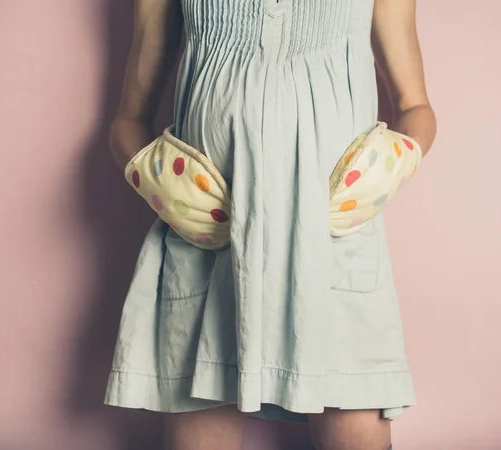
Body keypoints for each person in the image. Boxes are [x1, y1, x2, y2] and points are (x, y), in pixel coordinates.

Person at [105, 0, 437, 449]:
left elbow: (416, 107)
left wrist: (383, 172)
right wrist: (167, 189)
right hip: (211, 251)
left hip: (332, 250)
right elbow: (127, 122)